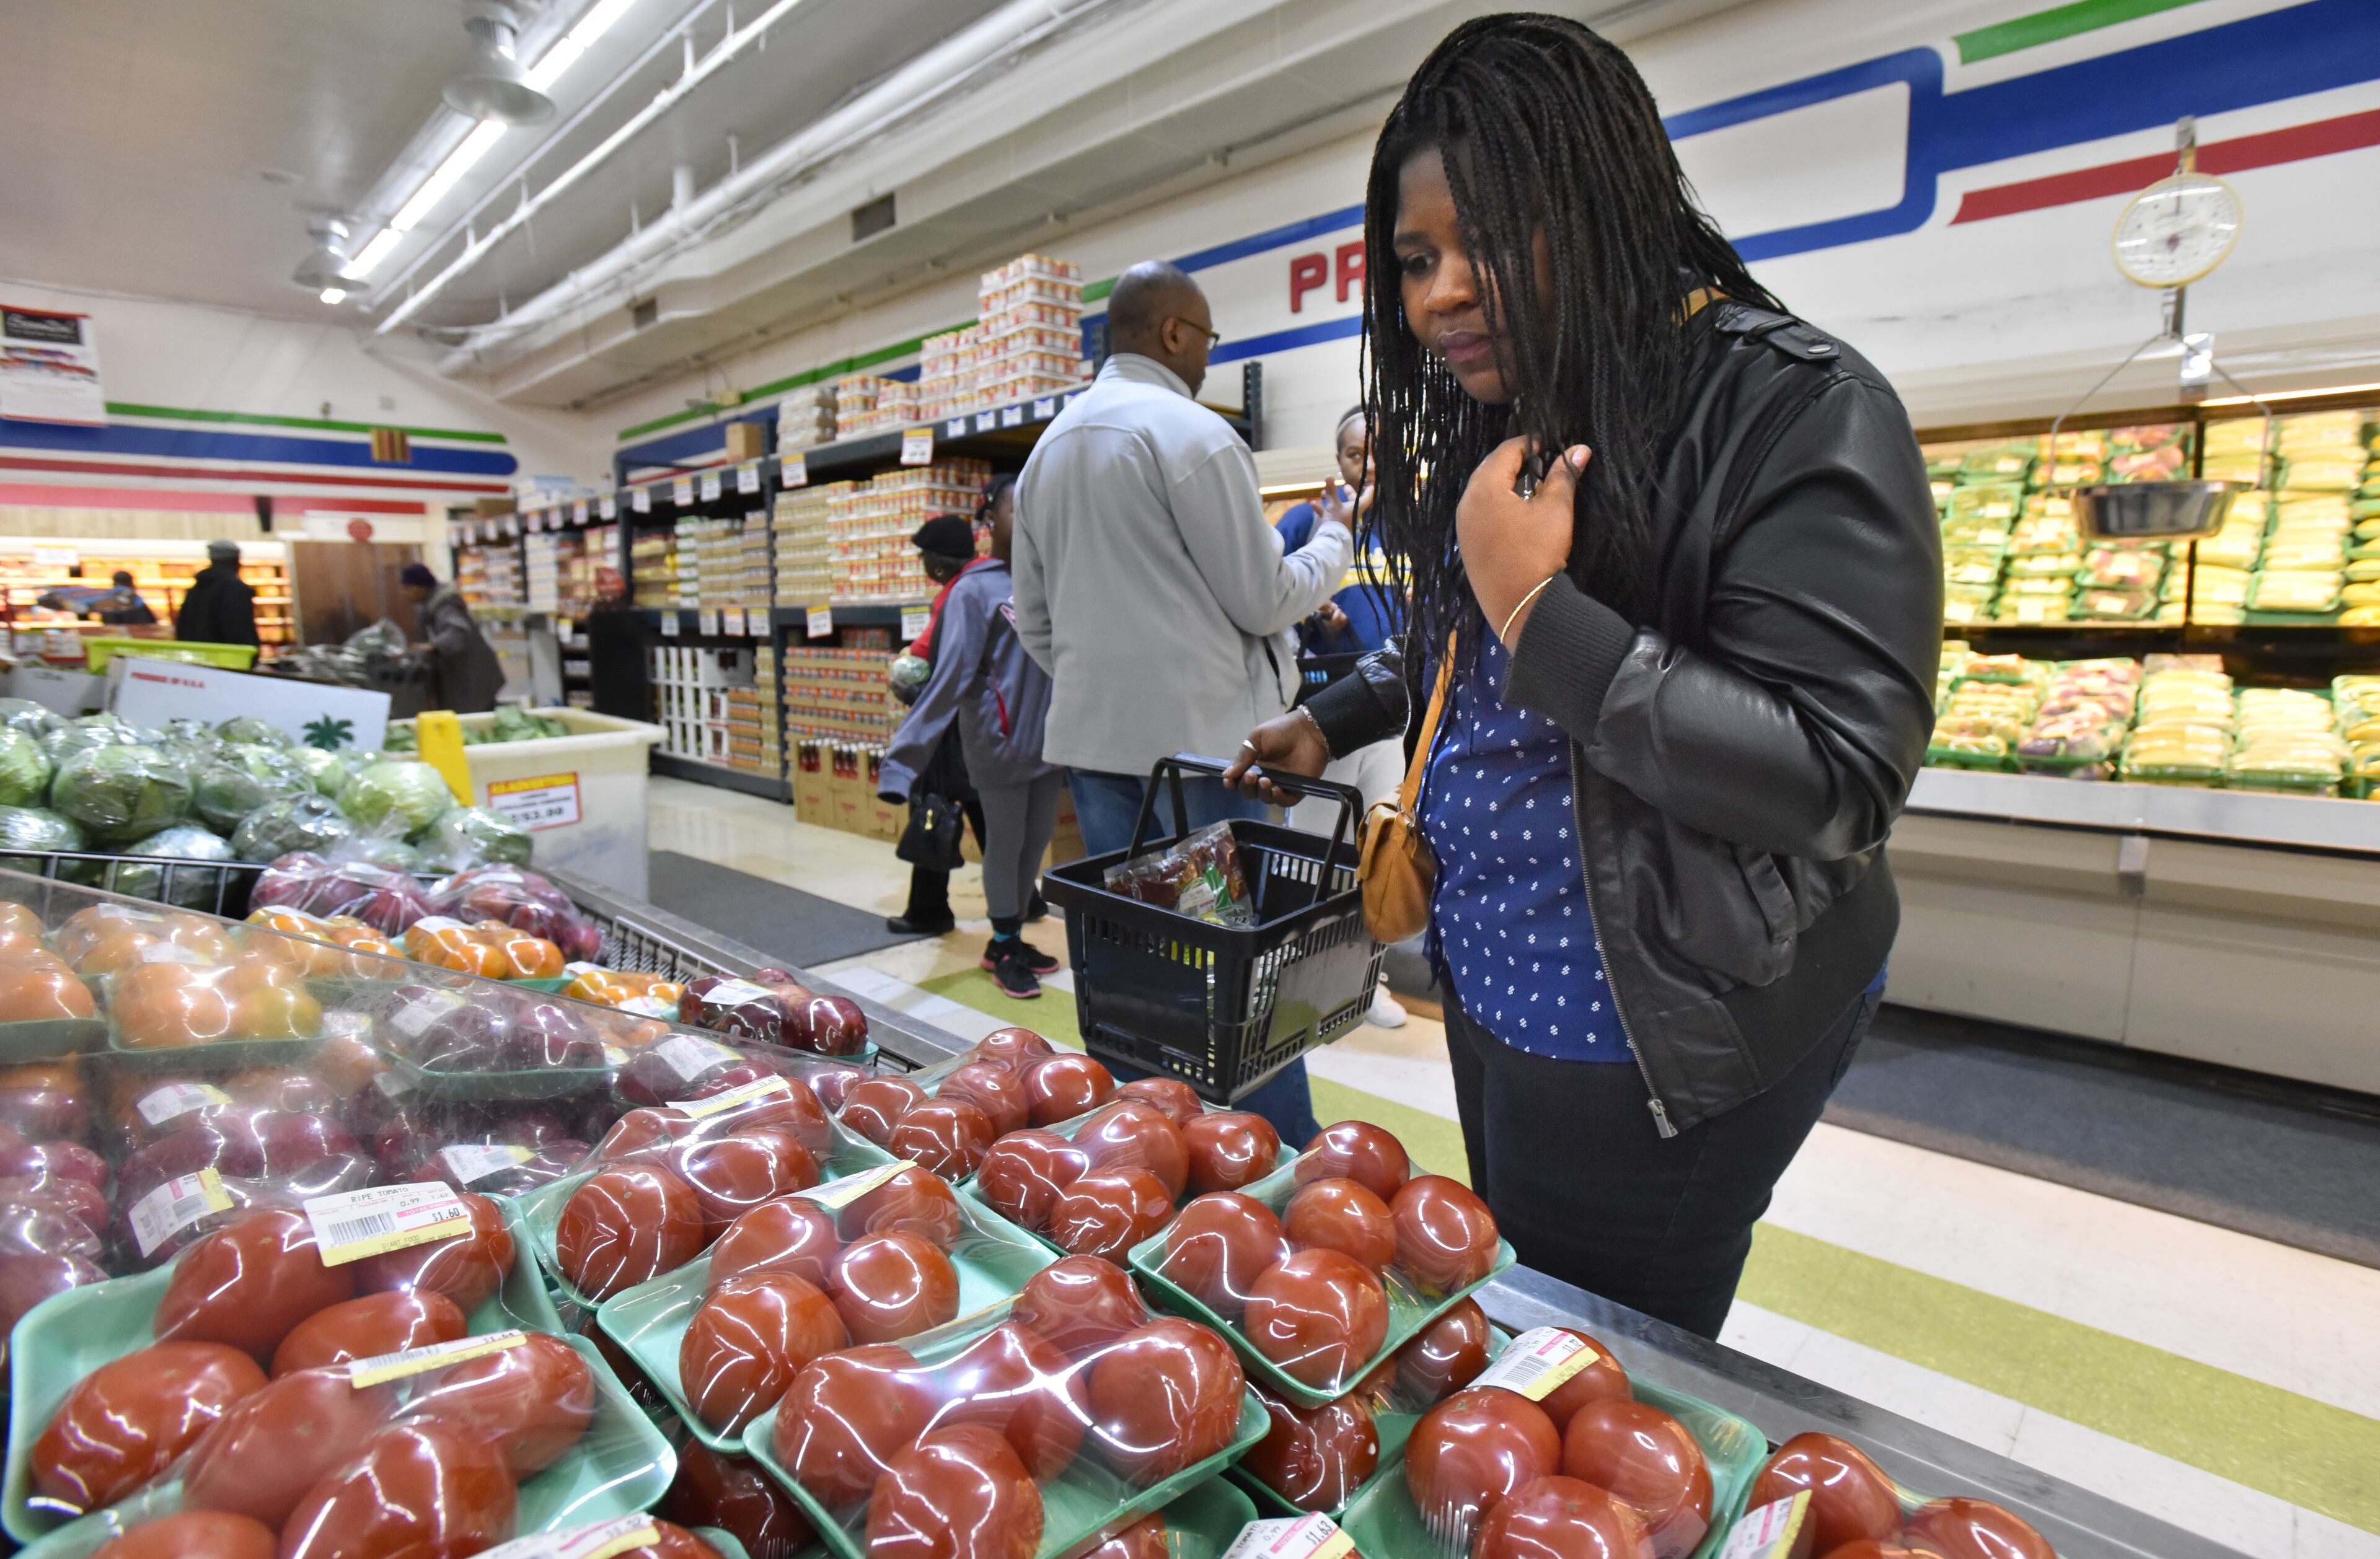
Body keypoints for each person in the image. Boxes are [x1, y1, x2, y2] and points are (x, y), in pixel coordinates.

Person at [1225, 14, 1941, 1341]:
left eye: (1486, 240)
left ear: (1605, 202)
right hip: (1493, 974)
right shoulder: (1514, 415)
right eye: (1419, 258)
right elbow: (1458, 647)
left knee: (1607, 1366)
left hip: (1656, 1023)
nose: (1440, 294)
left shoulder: (1796, 410)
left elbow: (1837, 773)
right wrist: (1334, 716)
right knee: (1529, 1297)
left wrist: (1540, 607)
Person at [1013, 258, 1357, 1145]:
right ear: (1173, 334)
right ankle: (1273, 1160)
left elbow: (1038, 625)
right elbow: (1267, 597)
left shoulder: (1050, 450)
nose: (1208, 356)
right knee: (1238, 964)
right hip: (1207, 761)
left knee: (1137, 958)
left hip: (1099, 755)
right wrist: (1334, 537)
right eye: (1206, 338)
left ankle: (1150, 1148)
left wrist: (1104, 683)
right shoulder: (1190, 434)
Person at [882, 485, 1064, 998]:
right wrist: (903, 761)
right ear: (989, 520)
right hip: (997, 741)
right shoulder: (973, 590)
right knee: (1004, 844)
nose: (1028, 513)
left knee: (1035, 843)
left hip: (1050, 743)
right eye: (1015, 505)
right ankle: (1005, 944)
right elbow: (949, 677)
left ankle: (1006, 938)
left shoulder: (1052, 577)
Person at [1274, 407, 1411, 1029]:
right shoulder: (1309, 520)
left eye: (1380, 451)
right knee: (1313, 851)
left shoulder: (1412, 525)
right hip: (1322, 716)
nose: (1370, 464)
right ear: (1339, 461)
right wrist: (1313, 618)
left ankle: (1367, 979)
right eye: (1357, 453)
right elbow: (1271, 603)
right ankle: (1300, 978)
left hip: (1391, 713)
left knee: (1378, 846)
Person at [883, 507, 992, 938]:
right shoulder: (991, 581)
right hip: (989, 722)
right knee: (989, 812)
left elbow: (936, 660)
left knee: (933, 806)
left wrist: (907, 685)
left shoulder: (958, 593)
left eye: (925, 556)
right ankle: (1024, 900)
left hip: (952, 722)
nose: (924, 565)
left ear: (941, 561)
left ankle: (930, 910)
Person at [400, 561, 505, 713]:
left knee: (473, 723)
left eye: (408, 588)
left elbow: (457, 631)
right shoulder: (431, 605)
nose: (405, 594)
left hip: (472, 678)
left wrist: (433, 646)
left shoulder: (445, 606)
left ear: (421, 587)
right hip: (468, 677)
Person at [174, 540, 259, 647]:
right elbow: (240, 629)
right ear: (236, 561)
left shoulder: (196, 589)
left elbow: (182, 627)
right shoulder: (235, 589)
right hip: (230, 657)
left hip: (197, 656)